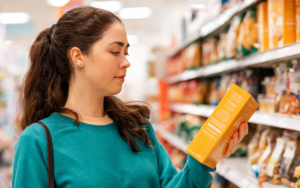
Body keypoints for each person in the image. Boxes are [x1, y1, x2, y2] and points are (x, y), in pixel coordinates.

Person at [12, 6, 248, 188]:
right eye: (115, 51)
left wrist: (206, 157)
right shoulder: (39, 140)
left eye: (126, 52)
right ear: (78, 57)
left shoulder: (137, 128)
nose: (126, 62)